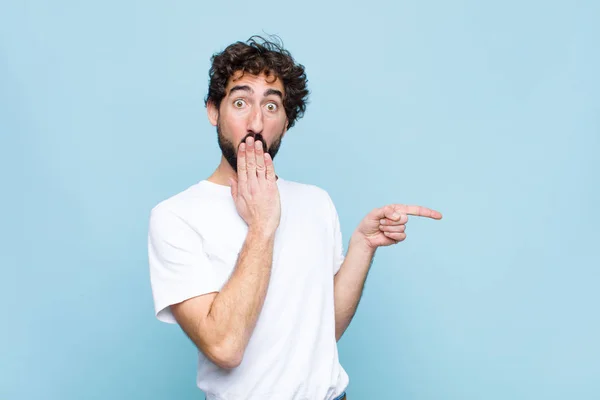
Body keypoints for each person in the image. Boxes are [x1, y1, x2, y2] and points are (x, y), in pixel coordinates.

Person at [147, 35, 442, 400]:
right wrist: (263, 225)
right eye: (240, 102)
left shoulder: (316, 202)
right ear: (213, 111)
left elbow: (321, 332)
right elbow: (224, 348)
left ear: (286, 123)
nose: (256, 121)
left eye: (272, 107)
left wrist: (362, 246)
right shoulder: (175, 217)